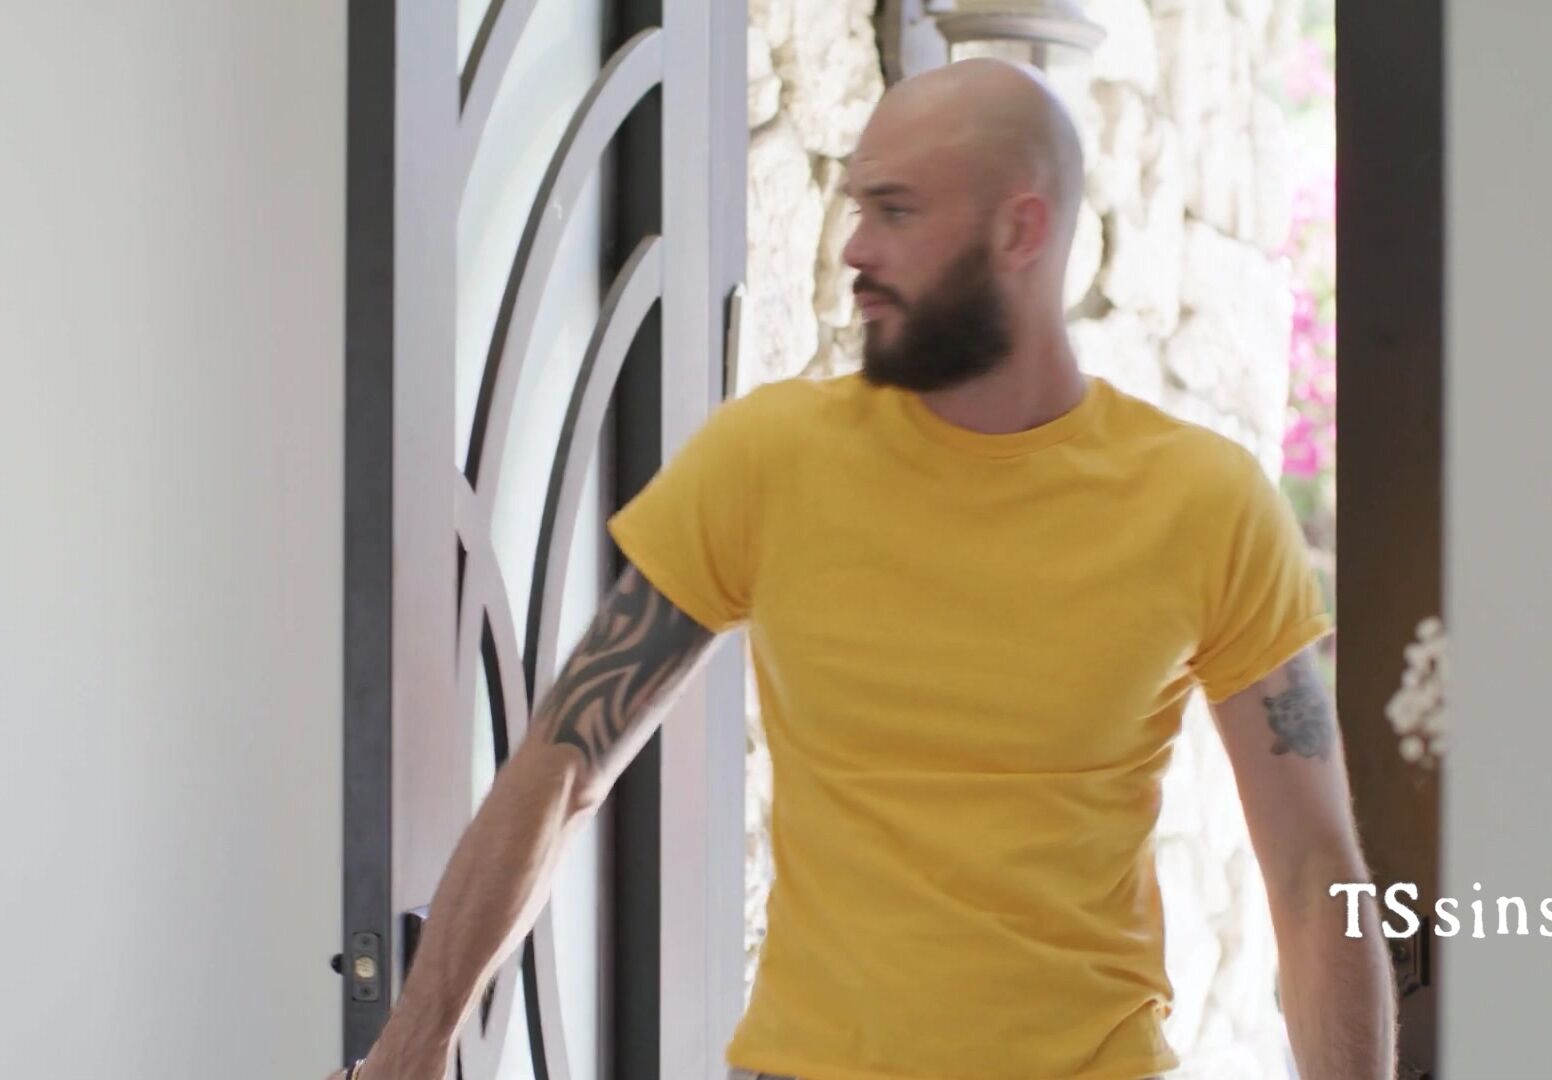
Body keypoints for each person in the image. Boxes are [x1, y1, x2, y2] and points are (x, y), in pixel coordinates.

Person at [333, 57, 1395, 1080]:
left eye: (895, 211)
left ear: (1019, 230)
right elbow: (562, 766)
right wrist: (413, 1049)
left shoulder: (1204, 504)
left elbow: (1313, 877)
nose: (853, 248)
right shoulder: (767, 461)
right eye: (856, 207)